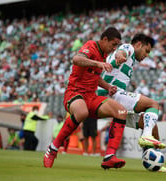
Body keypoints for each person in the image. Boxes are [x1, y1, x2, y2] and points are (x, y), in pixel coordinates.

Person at [43, 27, 129, 169]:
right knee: (82, 112)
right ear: (104, 39)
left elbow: (94, 75)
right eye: (113, 44)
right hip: (74, 93)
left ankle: (109, 156)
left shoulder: (103, 55)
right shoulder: (91, 46)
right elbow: (76, 59)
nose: (114, 49)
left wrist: (108, 87)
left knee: (121, 112)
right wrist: (97, 63)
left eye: (117, 46)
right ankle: (53, 148)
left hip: (91, 97)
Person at [97, 33, 166, 172]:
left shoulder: (131, 59)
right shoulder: (128, 47)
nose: (147, 55)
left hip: (113, 101)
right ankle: (146, 136)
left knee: (151, 124)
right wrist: (119, 55)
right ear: (138, 45)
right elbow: (122, 50)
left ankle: (154, 162)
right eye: (146, 50)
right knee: (153, 104)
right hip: (111, 94)